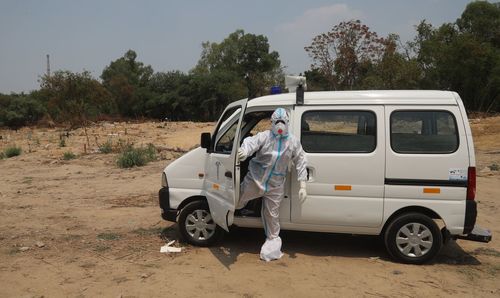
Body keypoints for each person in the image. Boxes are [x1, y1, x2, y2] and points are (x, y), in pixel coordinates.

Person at [237, 108, 308, 261]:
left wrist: (303, 185)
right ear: (272, 123)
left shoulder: (293, 142)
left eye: (283, 122)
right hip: (255, 180)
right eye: (277, 122)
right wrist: (244, 151)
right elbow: (251, 142)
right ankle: (228, 216)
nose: (280, 125)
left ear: (287, 123)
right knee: (238, 200)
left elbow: (301, 161)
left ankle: (272, 243)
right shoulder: (265, 137)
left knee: (272, 215)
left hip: (275, 185)